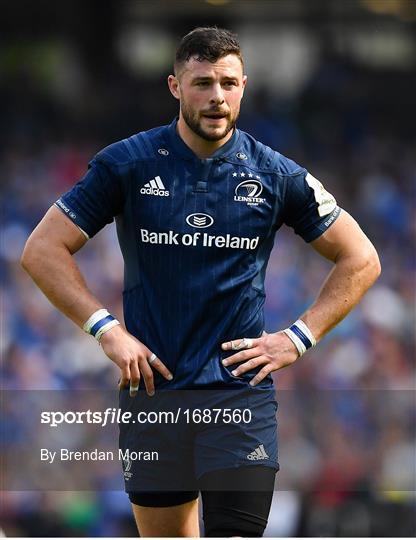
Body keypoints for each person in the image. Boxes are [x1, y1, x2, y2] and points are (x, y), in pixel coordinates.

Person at [21, 26, 381, 537]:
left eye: (228, 83)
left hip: (238, 398)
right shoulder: (127, 163)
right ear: (175, 87)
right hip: (153, 395)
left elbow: (361, 257)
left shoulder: (275, 174)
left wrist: (298, 338)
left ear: (244, 86)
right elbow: (41, 249)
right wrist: (107, 329)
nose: (217, 96)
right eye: (203, 82)